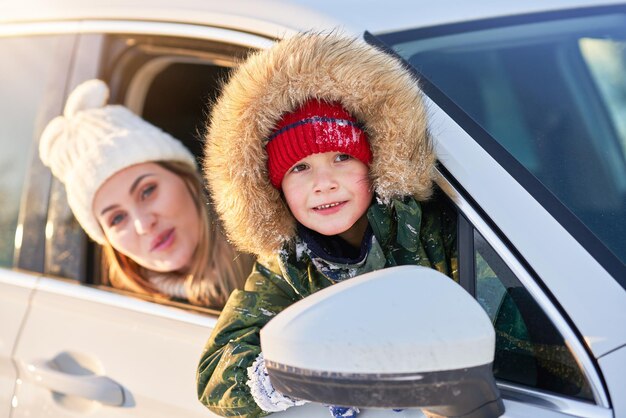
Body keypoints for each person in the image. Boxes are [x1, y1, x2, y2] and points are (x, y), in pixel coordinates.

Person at [197, 32, 458, 417]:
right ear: (274, 188)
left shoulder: (432, 233)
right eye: (300, 168)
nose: (324, 183)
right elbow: (214, 374)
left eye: (341, 157)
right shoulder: (287, 266)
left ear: (375, 160)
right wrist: (308, 367)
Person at [39, 79, 254, 309]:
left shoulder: (278, 253)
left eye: (147, 191)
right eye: (117, 219)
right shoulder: (130, 322)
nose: (144, 224)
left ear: (186, 177)